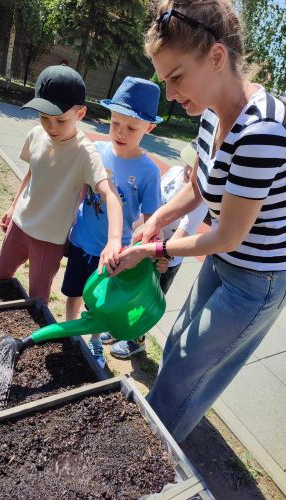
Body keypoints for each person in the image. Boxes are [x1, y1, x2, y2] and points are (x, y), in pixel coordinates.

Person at [111, 0, 286, 443]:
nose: (169, 95)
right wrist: (157, 221)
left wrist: (150, 250)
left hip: (257, 277)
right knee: (177, 344)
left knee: (189, 364)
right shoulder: (209, 111)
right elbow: (200, 187)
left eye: (176, 77)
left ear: (216, 57)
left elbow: (227, 235)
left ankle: (153, 465)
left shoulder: (262, 132)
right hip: (225, 261)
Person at [0, 65, 123, 304]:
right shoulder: (35, 135)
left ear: (80, 114)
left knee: (37, 300)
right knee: (0, 278)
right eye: (44, 118)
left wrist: (114, 239)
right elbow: (32, 172)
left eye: (60, 120)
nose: (51, 127)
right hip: (19, 227)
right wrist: (13, 207)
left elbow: (110, 194)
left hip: (49, 240)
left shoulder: (86, 153)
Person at [61, 76, 163, 368]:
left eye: (131, 127)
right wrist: (69, 224)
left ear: (150, 128)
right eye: (115, 123)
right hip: (82, 239)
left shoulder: (148, 171)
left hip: (115, 253)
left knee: (98, 304)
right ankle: (71, 336)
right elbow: (82, 189)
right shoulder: (98, 151)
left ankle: (94, 341)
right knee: (73, 292)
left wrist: (147, 251)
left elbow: (151, 218)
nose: (120, 132)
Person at [108, 142, 208, 360]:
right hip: (143, 245)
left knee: (145, 300)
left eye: (197, 168)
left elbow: (184, 229)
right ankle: (120, 327)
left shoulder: (201, 197)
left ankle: (136, 340)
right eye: (189, 164)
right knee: (129, 287)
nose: (190, 170)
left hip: (164, 258)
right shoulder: (173, 172)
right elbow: (153, 203)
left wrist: (164, 255)